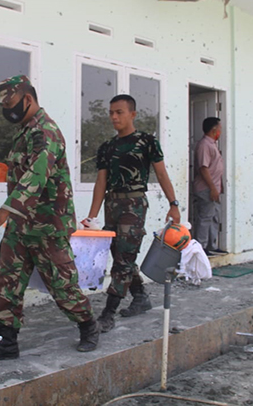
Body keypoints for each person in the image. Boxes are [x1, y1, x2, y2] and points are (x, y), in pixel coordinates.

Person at [0, 75, 99, 358]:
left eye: (9, 102)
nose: (6, 109)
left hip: (48, 226)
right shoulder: (24, 132)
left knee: (62, 285)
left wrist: (4, 211)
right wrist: (12, 215)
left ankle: (88, 326)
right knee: (6, 280)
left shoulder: (46, 132)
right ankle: (7, 341)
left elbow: (36, 176)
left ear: (28, 99)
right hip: (21, 224)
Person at [82, 94, 181, 333]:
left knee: (123, 259)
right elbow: (101, 183)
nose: (114, 117)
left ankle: (108, 313)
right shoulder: (107, 147)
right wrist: (92, 218)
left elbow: (161, 173)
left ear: (132, 114)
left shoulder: (146, 141)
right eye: (111, 113)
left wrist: (174, 204)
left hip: (134, 204)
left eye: (119, 112)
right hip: (111, 205)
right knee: (120, 254)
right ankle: (140, 296)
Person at [193, 117, 225, 255]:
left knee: (214, 217)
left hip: (214, 188)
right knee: (205, 217)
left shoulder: (213, 145)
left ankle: (212, 245)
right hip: (206, 189)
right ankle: (201, 247)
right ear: (214, 130)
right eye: (220, 128)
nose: (221, 131)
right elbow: (203, 168)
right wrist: (212, 188)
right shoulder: (204, 145)